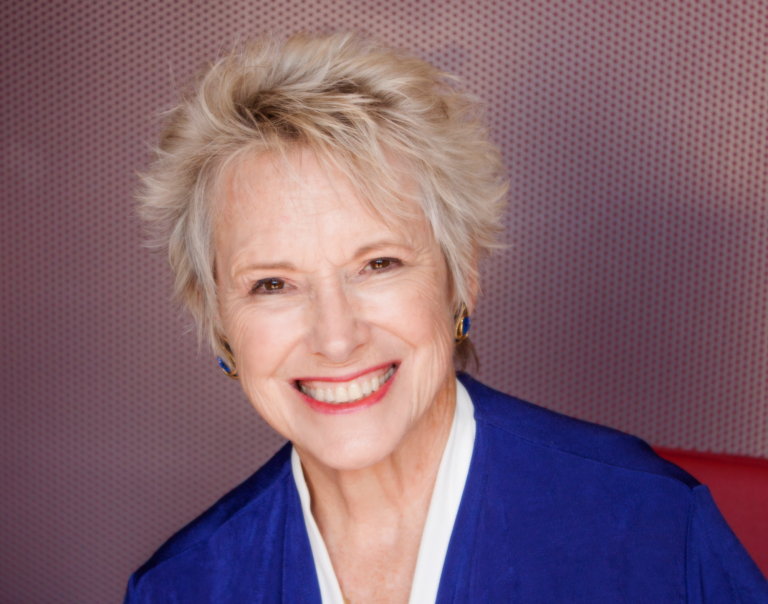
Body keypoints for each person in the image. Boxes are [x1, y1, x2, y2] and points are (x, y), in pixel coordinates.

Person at [124, 32, 768, 603]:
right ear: (219, 321)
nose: (337, 337)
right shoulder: (182, 587)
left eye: (378, 264)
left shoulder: (653, 526)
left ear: (462, 276)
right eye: (272, 284)